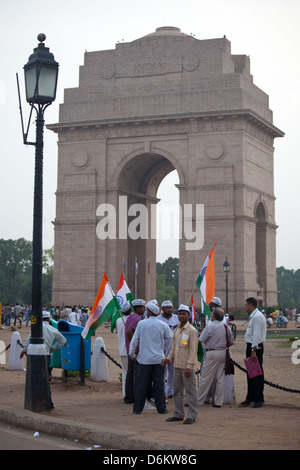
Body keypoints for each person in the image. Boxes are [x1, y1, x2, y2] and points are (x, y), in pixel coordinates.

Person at [129, 301, 172, 415]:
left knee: (142, 384)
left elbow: (134, 340)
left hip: (144, 359)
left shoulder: (142, 324)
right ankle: (161, 408)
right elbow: (171, 339)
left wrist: (132, 353)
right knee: (159, 384)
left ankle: (137, 409)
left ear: (148, 312)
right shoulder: (163, 325)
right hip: (158, 358)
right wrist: (168, 355)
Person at [20, 311, 67, 409]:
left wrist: (24, 350)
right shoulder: (52, 329)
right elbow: (63, 340)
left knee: (34, 380)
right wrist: (53, 347)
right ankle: (48, 403)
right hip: (46, 355)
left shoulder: (36, 328)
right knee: (45, 380)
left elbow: (29, 339)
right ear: (49, 319)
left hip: (35, 355)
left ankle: (37, 402)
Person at [162, 304, 199, 424]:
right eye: (180, 313)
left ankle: (192, 416)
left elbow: (193, 350)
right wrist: (168, 359)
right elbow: (173, 348)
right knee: (177, 391)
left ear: (188, 315)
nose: (181, 316)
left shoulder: (192, 331)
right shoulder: (176, 330)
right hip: (176, 365)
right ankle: (178, 413)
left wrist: (189, 367)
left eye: (184, 314)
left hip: (187, 367)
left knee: (190, 392)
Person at [198, 308, 234, 408]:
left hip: (211, 352)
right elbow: (231, 341)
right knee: (220, 378)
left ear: (213, 316)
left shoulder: (210, 326)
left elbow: (201, 340)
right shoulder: (226, 327)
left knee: (205, 378)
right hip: (223, 352)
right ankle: (218, 401)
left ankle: (199, 400)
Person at [240, 297, 266, 408]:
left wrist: (253, 350)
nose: (245, 307)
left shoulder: (257, 317)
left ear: (251, 305)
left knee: (257, 374)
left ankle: (258, 398)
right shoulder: (254, 316)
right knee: (251, 373)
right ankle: (250, 397)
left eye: (246, 305)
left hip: (255, 347)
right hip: (252, 347)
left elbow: (256, 335)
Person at [124, 299, 146, 403]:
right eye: (142, 307)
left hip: (130, 350)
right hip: (134, 351)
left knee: (130, 374)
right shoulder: (137, 318)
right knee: (136, 375)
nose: (144, 309)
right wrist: (135, 347)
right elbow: (129, 331)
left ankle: (129, 397)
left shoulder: (131, 316)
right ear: (137, 309)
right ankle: (136, 397)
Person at [158, 300, 179, 398]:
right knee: (162, 372)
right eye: (167, 308)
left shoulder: (177, 318)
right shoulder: (158, 319)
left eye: (171, 307)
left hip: (174, 349)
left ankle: (171, 391)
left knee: (173, 371)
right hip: (161, 349)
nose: (170, 309)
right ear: (162, 309)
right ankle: (162, 391)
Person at [115, 300, 132, 397]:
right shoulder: (132, 319)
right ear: (130, 309)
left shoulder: (118, 320)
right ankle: (129, 393)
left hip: (122, 349)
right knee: (130, 373)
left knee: (125, 372)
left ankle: (125, 393)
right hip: (130, 349)